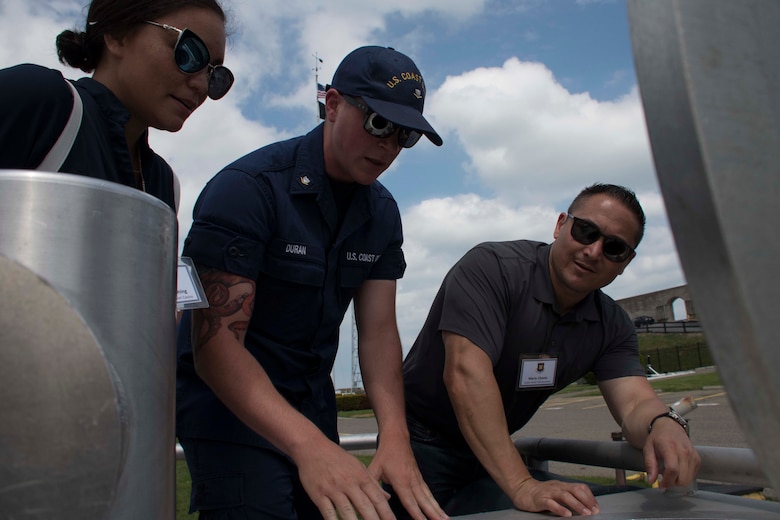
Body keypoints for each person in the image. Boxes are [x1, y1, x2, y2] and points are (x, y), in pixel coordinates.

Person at [176, 46, 448, 520]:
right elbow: (213, 345)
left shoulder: (381, 213)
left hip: (311, 403)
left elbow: (379, 330)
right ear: (334, 104)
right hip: (229, 407)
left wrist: (396, 438)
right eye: (379, 123)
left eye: (405, 135)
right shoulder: (248, 188)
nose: (388, 145)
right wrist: (310, 449)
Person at [396, 183, 701, 517]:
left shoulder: (611, 323)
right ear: (560, 226)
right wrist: (522, 486)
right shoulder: (493, 268)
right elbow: (466, 374)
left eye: (614, 248)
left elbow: (634, 403)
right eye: (586, 231)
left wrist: (663, 422)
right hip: (418, 446)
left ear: (625, 262)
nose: (594, 251)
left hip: (492, 452)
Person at [0, 0, 234, 211]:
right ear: (118, 34)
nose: (201, 85)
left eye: (215, 74)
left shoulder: (164, 184)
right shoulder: (41, 101)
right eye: (190, 53)